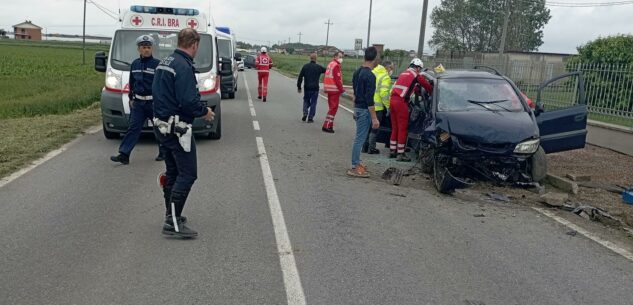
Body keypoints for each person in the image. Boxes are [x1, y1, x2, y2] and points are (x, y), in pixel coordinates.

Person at [152, 28, 215, 238]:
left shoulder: (165, 62)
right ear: (194, 44)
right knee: (188, 173)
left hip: (162, 126)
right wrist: (204, 112)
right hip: (178, 129)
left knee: (173, 173)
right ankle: (173, 222)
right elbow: (189, 101)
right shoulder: (183, 66)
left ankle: (171, 215)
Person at [110, 35, 162, 164]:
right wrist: (131, 98)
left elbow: (162, 85)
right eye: (144, 47)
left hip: (153, 103)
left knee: (160, 128)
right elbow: (132, 83)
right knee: (133, 128)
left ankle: (164, 153)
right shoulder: (135, 64)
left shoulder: (157, 65)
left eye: (149, 47)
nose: (146, 50)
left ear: (152, 49)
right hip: (138, 103)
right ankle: (124, 154)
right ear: (139, 49)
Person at [389, 58, 434, 162]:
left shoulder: (403, 73)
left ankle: (393, 151)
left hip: (392, 100)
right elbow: (426, 86)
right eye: (419, 68)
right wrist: (432, 90)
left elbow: (410, 86)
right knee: (402, 128)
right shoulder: (415, 75)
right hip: (401, 103)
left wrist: (417, 90)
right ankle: (401, 153)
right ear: (417, 67)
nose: (419, 70)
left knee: (395, 127)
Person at [347, 47, 379, 178]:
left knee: (359, 138)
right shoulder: (370, 76)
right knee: (360, 139)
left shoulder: (357, 72)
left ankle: (357, 163)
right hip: (365, 110)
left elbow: (355, 93)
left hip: (358, 108)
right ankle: (355, 166)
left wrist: (354, 108)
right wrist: (375, 118)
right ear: (375, 58)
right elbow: (369, 98)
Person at [363, 60, 394, 154]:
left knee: (367, 127)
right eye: (391, 68)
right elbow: (384, 93)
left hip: (368, 105)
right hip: (378, 107)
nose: (392, 70)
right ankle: (371, 148)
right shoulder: (385, 77)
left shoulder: (373, 72)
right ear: (387, 68)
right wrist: (388, 106)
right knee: (375, 128)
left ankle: (364, 147)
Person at [297, 53, 326, 123]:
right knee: (313, 102)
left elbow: (300, 77)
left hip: (307, 87)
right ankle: (310, 118)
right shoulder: (318, 67)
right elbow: (327, 70)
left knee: (306, 100)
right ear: (316, 59)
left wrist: (299, 87)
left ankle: (305, 112)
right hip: (315, 88)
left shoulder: (305, 67)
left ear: (310, 58)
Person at [322, 51, 345, 133]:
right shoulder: (336, 66)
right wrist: (342, 89)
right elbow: (337, 79)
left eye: (342, 57)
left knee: (331, 108)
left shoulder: (330, 64)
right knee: (333, 108)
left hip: (329, 89)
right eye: (340, 56)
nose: (341, 58)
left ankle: (329, 124)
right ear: (335, 56)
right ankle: (327, 125)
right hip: (334, 90)